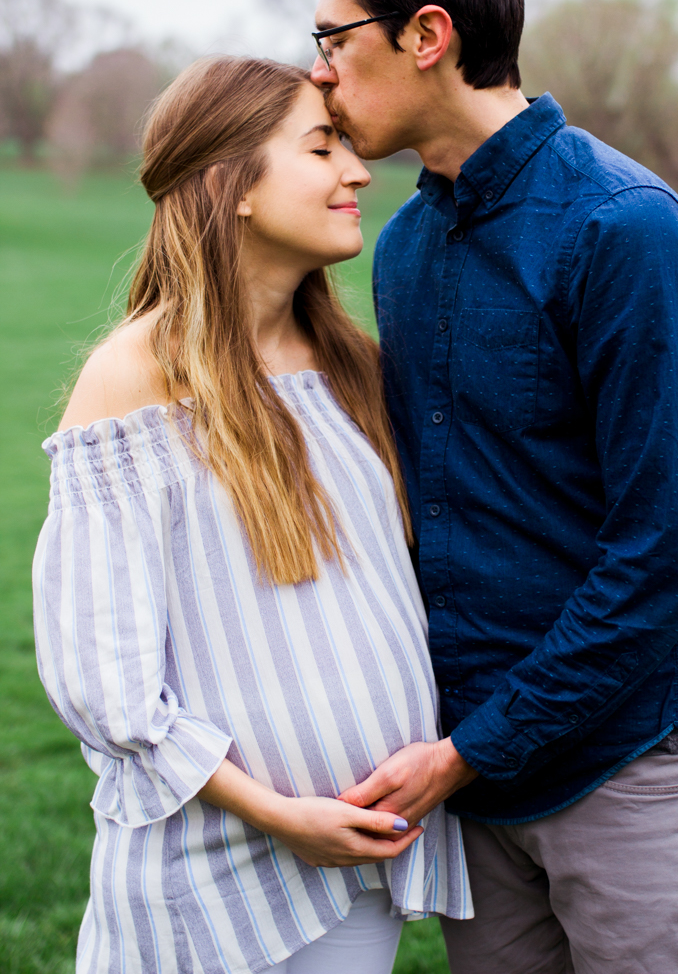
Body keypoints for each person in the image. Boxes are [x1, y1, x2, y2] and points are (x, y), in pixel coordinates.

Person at [306, 0, 678, 973]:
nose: (316, 70)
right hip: (472, 793)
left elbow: (663, 561)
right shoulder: (403, 246)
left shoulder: (620, 227)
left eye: (332, 39)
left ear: (426, 36)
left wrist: (466, 751)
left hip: (624, 764)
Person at [32, 56, 471, 974]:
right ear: (229, 183)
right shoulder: (135, 377)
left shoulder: (349, 364)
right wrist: (280, 814)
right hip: (218, 881)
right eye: (322, 147)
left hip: (357, 863)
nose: (357, 171)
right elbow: (101, 683)